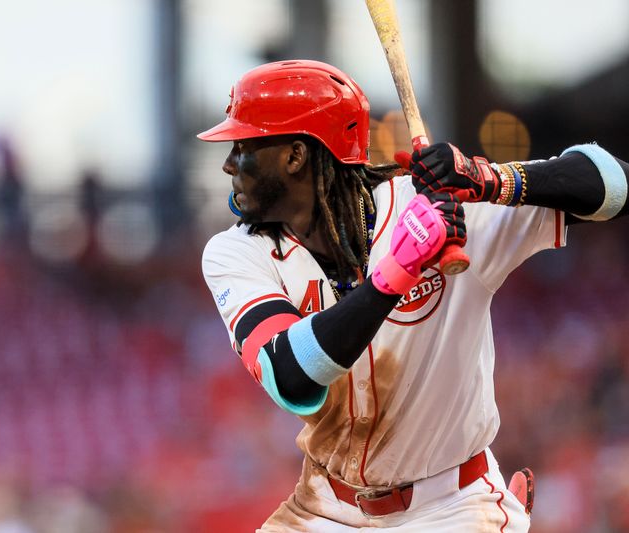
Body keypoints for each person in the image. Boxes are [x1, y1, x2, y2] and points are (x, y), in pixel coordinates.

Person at [198, 59, 627, 532]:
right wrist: (396, 273)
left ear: (296, 156)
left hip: (454, 507)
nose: (229, 163)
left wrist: (491, 180)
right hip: (325, 508)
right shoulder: (235, 251)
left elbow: (617, 186)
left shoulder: (433, 203)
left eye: (245, 146)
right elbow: (292, 377)